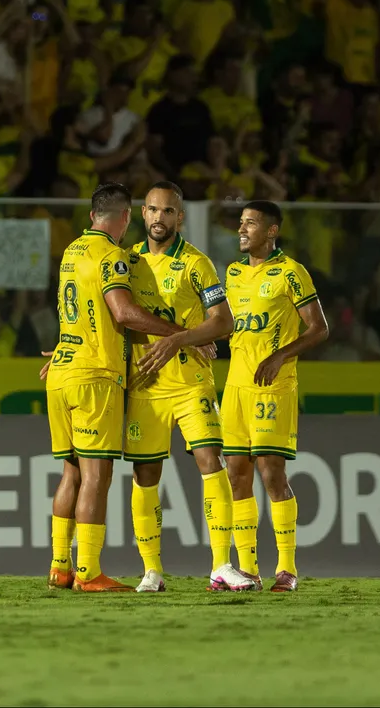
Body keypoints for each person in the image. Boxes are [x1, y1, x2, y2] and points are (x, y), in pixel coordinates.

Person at [39, 182, 189, 592]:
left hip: (62, 370)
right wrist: (179, 334)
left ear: (92, 216)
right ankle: (88, 572)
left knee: (71, 472)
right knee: (97, 475)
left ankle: (59, 565)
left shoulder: (71, 251)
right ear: (126, 218)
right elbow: (123, 313)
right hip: (95, 375)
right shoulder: (113, 255)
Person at [122, 181, 259, 593]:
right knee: (145, 474)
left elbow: (223, 322)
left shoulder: (197, 264)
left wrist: (179, 340)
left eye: (168, 211)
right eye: (152, 209)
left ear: (179, 218)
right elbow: (118, 317)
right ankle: (151, 571)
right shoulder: (127, 262)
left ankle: (221, 565)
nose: (159, 218)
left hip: (190, 383)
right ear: (142, 213)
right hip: (146, 383)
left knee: (210, 462)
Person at [222, 201, 329, 592]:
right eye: (241, 222)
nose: (242, 229)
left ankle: (287, 568)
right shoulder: (232, 273)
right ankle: (248, 568)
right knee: (237, 475)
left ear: (271, 231)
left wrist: (280, 355)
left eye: (250, 223)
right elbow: (229, 324)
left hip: (273, 386)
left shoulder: (291, 272)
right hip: (235, 386)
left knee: (271, 473)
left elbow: (319, 328)